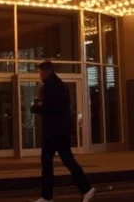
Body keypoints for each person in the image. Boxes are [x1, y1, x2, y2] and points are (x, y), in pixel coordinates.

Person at [30, 60, 95, 202]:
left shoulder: (50, 87)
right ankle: (84, 189)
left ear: (47, 71)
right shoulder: (59, 85)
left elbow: (49, 108)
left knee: (50, 162)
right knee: (65, 160)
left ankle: (48, 196)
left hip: (54, 131)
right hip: (60, 130)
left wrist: (36, 107)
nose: (39, 75)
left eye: (40, 72)